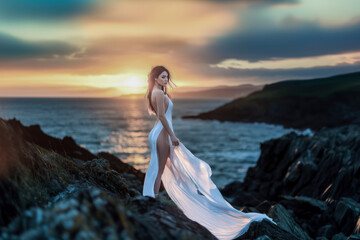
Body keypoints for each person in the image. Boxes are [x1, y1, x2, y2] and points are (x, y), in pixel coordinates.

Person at [142, 65, 277, 240]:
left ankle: (150, 199)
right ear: (155, 78)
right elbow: (161, 116)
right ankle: (151, 200)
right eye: (162, 77)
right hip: (161, 134)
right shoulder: (159, 94)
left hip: (158, 133)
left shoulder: (154, 92)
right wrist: (173, 136)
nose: (166, 80)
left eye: (167, 77)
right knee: (159, 170)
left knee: (160, 169)